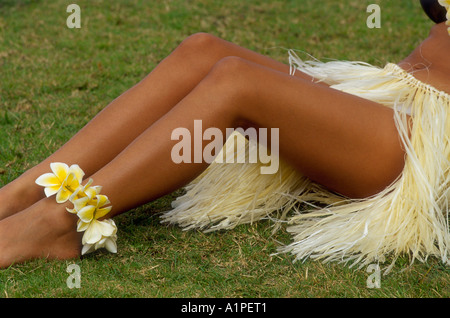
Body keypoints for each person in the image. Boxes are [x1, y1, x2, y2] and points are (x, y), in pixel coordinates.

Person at [0, 1, 449, 270]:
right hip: (387, 94)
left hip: (418, 139)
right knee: (204, 50)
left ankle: (58, 223)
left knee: (236, 81)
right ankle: (24, 193)